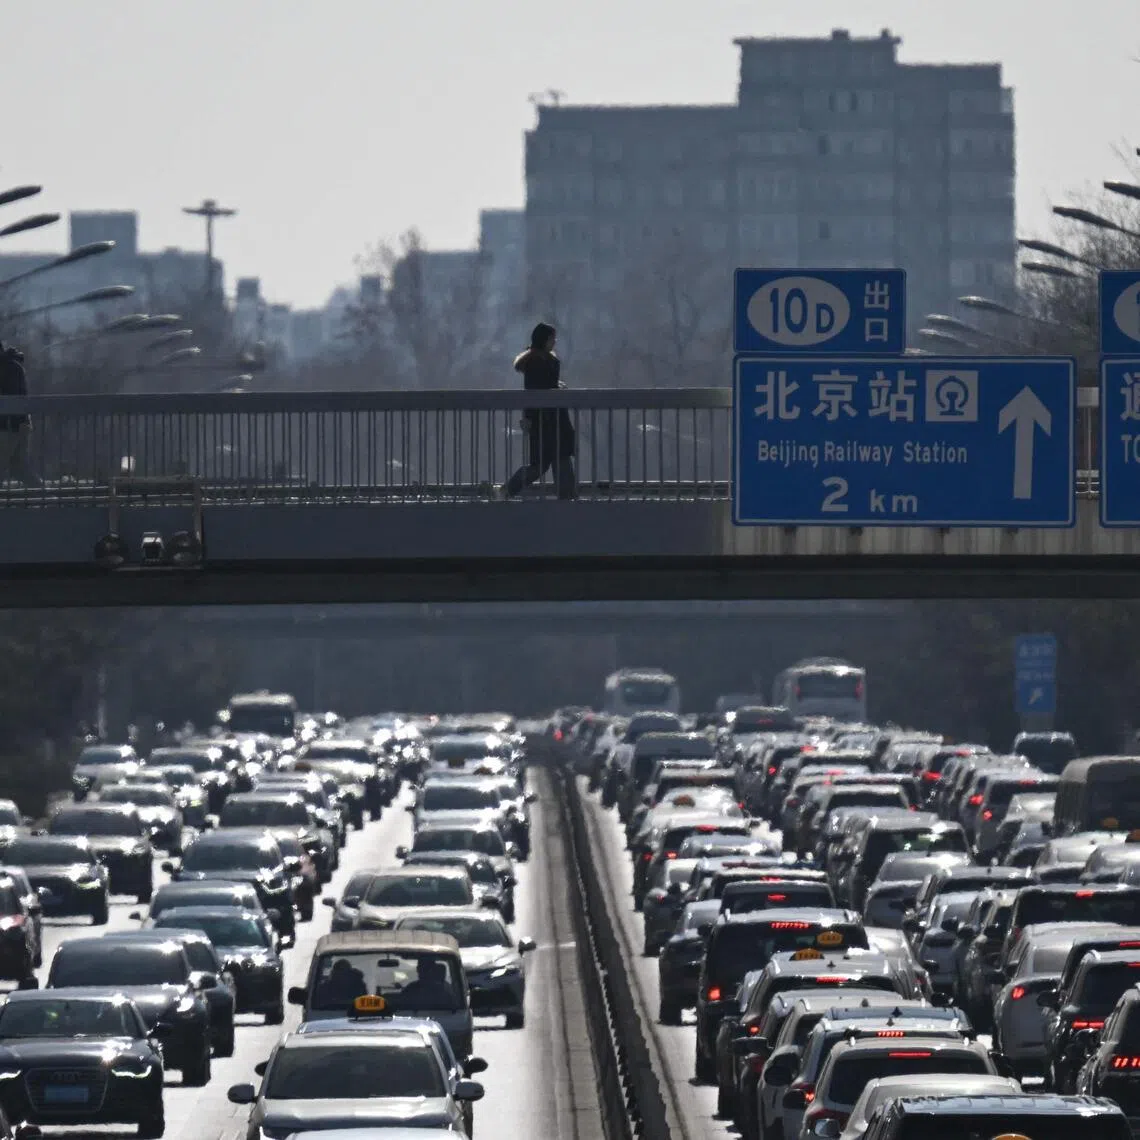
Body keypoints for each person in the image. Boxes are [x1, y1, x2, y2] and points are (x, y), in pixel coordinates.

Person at [501, 322, 576, 500]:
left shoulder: (538, 360)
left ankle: (507, 490)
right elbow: (537, 389)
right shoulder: (540, 361)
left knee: (546, 462)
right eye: (552, 338)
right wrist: (557, 391)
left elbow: (536, 388)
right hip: (549, 420)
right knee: (551, 460)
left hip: (545, 420)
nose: (554, 342)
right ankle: (567, 500)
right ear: (545, 340)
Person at [0, 341, 33, 485]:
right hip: (18, 424)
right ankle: (51, 501)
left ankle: (50, 502)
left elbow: (14, 398)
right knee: (20, 469)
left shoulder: (8, 368)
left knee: (16, 468)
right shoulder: (11, 366)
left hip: (9, 427)